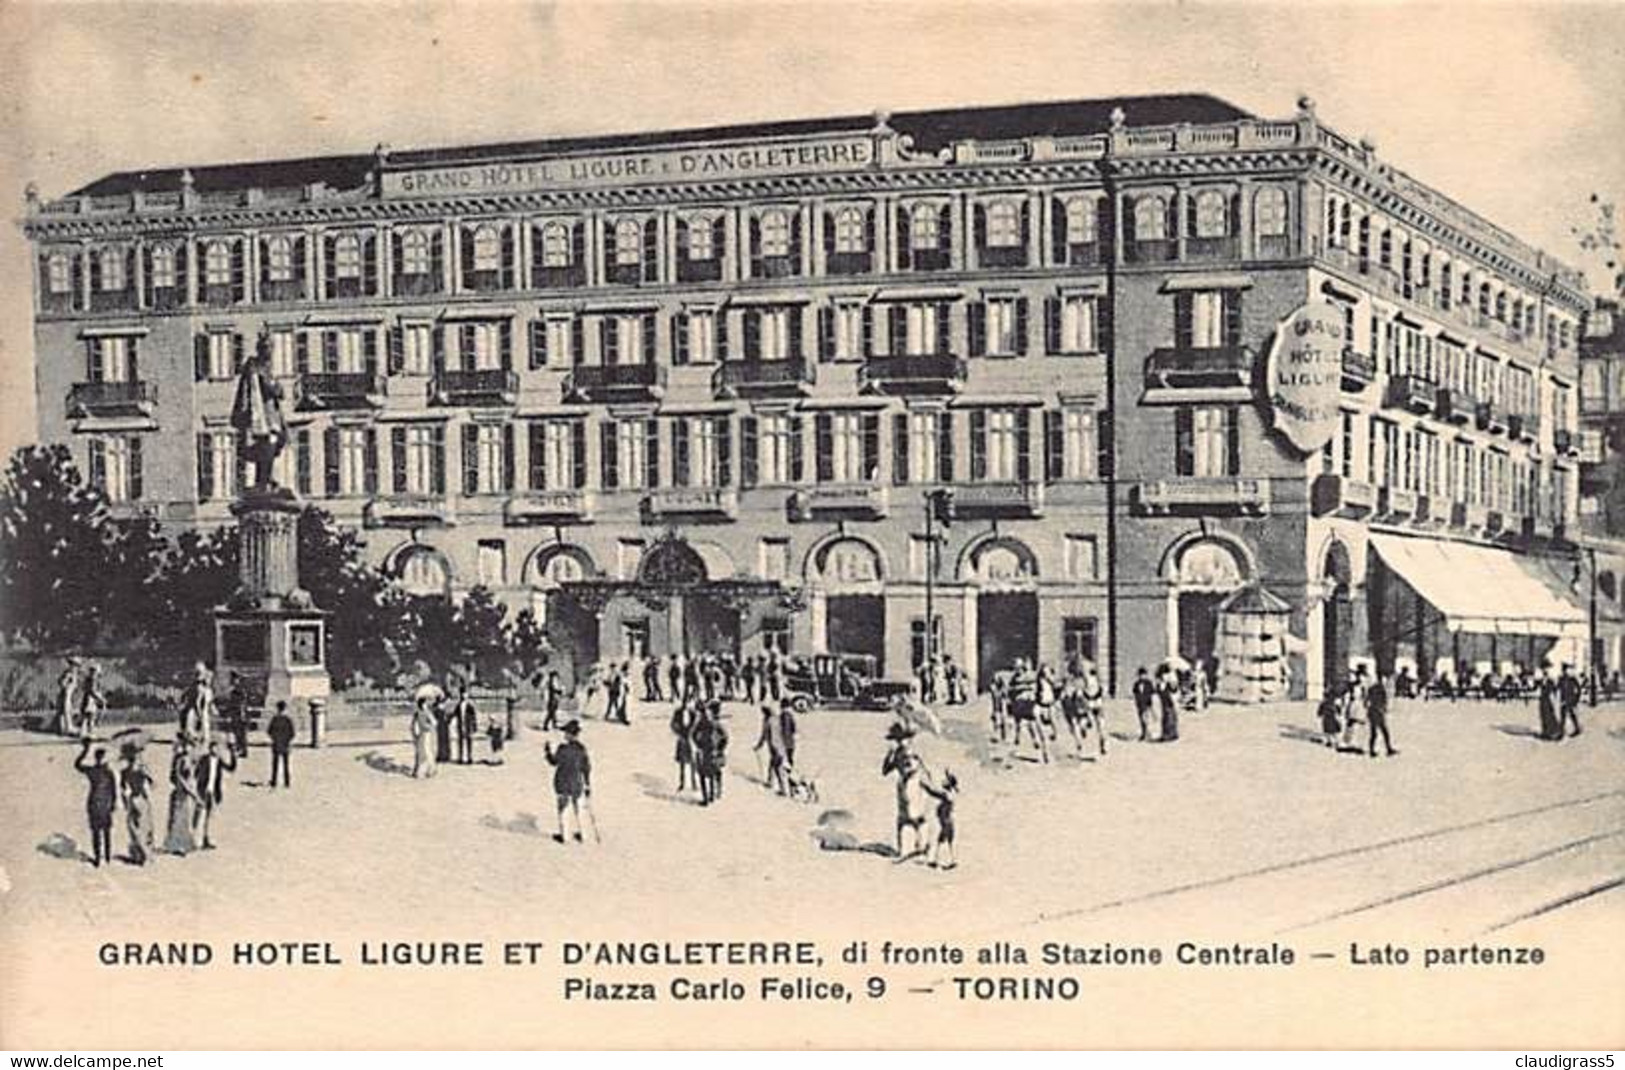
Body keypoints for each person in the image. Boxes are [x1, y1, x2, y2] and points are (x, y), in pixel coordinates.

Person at [882, 722, 930, 859]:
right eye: (897, 739)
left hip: (912, 784)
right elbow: (885, 770)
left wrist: (906, 770)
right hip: (904, 785)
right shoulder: (898, 752)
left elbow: (914, 768)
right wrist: (889, 755)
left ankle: (920, 846)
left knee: (914, 816)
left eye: (902, 738)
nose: (900, 741)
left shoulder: (910, 752)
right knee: (905, 817)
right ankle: (906, 848)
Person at [545, 720, 592, 844]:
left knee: (564, 809)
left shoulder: (562, 749)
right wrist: (587, 784)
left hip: (562, 782)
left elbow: (554, 762)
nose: (564, 735)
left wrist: (548, 752)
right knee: (580, 809)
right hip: (577, 782)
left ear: (570, 734)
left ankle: (565, 836)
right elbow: (586, 767)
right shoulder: (582, 749)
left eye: (566, 732)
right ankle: (584, 835)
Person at [73, 739, 117, 867]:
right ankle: (107, 857)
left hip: (94, 803)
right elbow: (114, 791)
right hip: (105, 804)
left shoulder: (92, 771)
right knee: (106, 831)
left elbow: (77, 764)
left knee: (96, 832)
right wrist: (113, 804)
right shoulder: (108, 773)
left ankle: (98, 858)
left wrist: (85, 749)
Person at [193, 741, 237, 849]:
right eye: (214, 748)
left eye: (218, 748)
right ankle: (193, 838)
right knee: (198, 815)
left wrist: (232, 753)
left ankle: (205, 838)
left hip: (213, 792)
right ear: (210, 748)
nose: (216, 750)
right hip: (203, 790)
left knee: (209, 816)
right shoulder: (204, 759)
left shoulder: (219, 760)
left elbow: (231, 768)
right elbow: (196, 773)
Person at [163, 741, 201, 856]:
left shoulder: (188, 760)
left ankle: (183, 844)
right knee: (180, 818)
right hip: (182, 792)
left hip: (186, 791)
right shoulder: (182, 760)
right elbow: (180, 777)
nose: (189, 749)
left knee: (185, 818)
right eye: (188, 746)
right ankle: (178, 845)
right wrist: (191, 791)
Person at [119, 747, 156, 866]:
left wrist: (124, 801)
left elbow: (122, 788)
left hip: (132, 799)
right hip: (142, 799)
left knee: (135, 828)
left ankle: (140, 854)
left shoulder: (125, 771)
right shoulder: (141, 770)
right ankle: (145, 854)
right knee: (144, 828)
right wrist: (148, 774)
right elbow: (153, 784)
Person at [922, 770, 959, 870]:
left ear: (949, 783)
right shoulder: (951, 792)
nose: (943, 781)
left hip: (946, 821)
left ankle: (944, 861)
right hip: (948, 821)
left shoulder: (947, 794)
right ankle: (944, 860)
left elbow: (933, 792)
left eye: (946, 780)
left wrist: (925, 785)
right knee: (944, 840)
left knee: (944, 840)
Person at [754, 704, 790, 795]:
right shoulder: (775, 719)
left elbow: (768, 736)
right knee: (773, 765)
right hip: (780, 746)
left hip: (776, 748)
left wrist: (760, 746)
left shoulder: (769, 722)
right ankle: (771, 782)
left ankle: (783, 789)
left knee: (778, 768)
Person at [1365, 673, 1396, 758]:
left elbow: (1366, 701)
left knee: (1374, 733)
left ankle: (1372, 751)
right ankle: (1388, 749)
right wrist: (1383, 708)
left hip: (1372, 712)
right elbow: (1384, 701)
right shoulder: (1381, 689)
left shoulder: (1371, 689)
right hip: (1378, 712)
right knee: (1384, 732)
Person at [266, 700, 295, 789]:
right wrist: (287, 740)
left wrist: (274, 739)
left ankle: (274, 781)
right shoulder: (288, 719)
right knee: (286, 764)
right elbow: (292, 733)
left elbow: (269, 731)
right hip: (285, 744)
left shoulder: (275, 719)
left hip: (276, 744)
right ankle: (287, 782)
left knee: (275, 764)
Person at [1081, 667, 1107, 757]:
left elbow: (1085, 692)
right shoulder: (1098, 682)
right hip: (1097, 704)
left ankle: (1084, 727)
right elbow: (1102, 693)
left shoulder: (1088, 680)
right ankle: (1102, 743)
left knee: (1089, 720)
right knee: (1101, 726)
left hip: (1091, 703)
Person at [410, 696, 438, 779]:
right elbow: (414, 724)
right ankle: (421, 771)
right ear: (421, 704)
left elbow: (434, 722)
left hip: (427, 734)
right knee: (422, 752)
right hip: (421, 734)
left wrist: (428, 726)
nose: (426, 705)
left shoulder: (427, 713)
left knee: (427, 751)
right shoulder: (418, 713)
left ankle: (429, 769)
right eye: (425, 703)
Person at [670, 701, 695, 793]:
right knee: (682, 763)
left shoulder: (693, 713)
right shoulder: (678, 712)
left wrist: (692, 734)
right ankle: (682, 783)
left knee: (693, 762)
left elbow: (696, 724)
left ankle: (694, 782)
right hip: (682, 739)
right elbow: (673, 725)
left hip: (691, 740)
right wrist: (679, 733)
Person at [78, 663, 106, 738]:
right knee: (89, 717)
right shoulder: (91, 680)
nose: (94, 673)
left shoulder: (91, 679)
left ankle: (85, 733)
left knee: (88, 717)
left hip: (89, 700)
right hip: (89, 700)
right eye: (92, 671)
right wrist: (99, 698)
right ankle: (88, 733)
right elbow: (91, 691)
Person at [1558, 663, 1583, 738]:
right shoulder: (1561, 679)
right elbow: (1558, 688)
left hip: (1571, 699)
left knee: (1572, 715)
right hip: (1564, 700)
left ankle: (1577, 729)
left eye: (1566, 670)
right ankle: (1562, 732)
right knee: (1563, 716)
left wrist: (1576, 699)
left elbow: (1579, 689)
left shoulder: (1572, 679)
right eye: (1564, 670)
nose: (1565, 672)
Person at [53, 664, 79, 736]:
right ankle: (67, 729)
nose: (75, 668)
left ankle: (63, 729)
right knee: (65, 712)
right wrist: (67, 687)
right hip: (66, 695)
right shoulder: (68, 673)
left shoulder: (72, 674)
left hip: (68, 695)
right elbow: (62, 683)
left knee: (65, 712)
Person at [455, 684, 478, 764]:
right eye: (462, 693)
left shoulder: (470, 705)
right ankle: (460, 757)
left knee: (469, 742)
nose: (463, 695)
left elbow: (473, 716)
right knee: (460, 742)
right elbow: (455, 714)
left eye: (465, 693)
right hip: (461, 724)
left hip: (468, 725)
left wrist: (475, 726)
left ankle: (469, 757)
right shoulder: (459, 704)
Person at [1131, 667, 1155, 742]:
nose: (1142, 676)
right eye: (1140, 675)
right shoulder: (1136, 684)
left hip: (1147, 703)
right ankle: (1144, 732)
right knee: (1141, 719)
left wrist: (1150, 703)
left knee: (1146, 719)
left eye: (1143, 675)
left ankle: (1147, 733)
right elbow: (1135, 693)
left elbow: (1152, 692)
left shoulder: (1149, 683)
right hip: (1140, 704)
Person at [1156, 667, 1179, 742]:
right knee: (1165, 719)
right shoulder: (1160, 684)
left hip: (1170, 703)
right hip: (1164, 704)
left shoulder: (1169, 684)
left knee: (1171, 718)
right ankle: (1165, 734)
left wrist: (1172, 682)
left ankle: (1172, 734)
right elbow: (1159, 692)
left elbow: (1174, 690)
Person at [434, 692, 453, 764]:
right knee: (442, 740)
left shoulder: (442, 707)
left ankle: (444, 755)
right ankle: (443, 755)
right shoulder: (440, 707)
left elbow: (450, 715)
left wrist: (448, 719)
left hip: (443, 725)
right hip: (442, 725)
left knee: (443, 740)